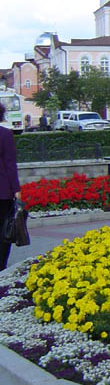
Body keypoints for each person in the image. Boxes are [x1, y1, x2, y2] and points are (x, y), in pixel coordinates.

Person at [0, 103, 22, 270]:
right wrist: (16, 189)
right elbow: (10, 164)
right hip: (3, 192)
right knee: (4, 230)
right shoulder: (5, 134)